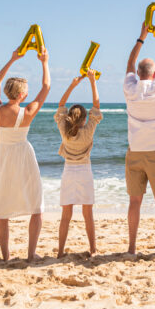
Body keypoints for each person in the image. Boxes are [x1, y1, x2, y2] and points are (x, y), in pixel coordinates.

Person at [0, 48, 50, 262]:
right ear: (22, 94)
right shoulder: (27, 112)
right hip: (23, 157)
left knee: (2, 209)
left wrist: (12, 59)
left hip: (3, 157)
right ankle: (31, 254)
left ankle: (5, 257)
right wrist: (44, 62)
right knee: (36, 206)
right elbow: (46, 87)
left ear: (7, 92)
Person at [123, 18, 155, 256]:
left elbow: (129, 64)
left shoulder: (130, 88)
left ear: (138, 74)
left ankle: (132, 247)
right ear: (154, 74)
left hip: (135, 152)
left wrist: (141, 36)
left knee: (135, 201)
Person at [54, 73, 102, 257]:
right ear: (83, 119)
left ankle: (60, 251)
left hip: (68, 172)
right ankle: (93, 249)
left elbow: (60, 107)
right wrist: (92, 82)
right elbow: (96, 107)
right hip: (85, 172)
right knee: (87, 213)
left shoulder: (64, 130)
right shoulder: (88, 130)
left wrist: (72, 85)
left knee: (66, 215)